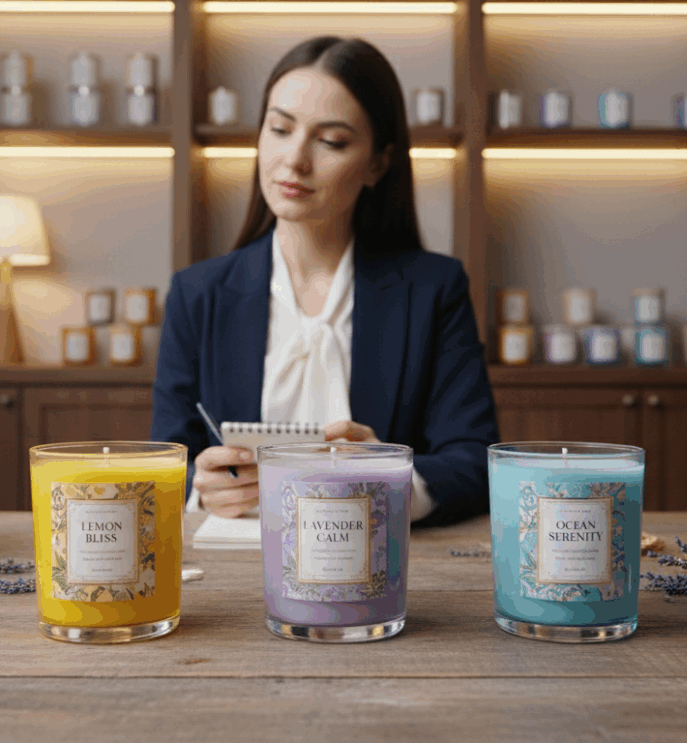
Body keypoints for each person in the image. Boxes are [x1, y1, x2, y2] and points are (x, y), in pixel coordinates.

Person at [151, 36, 498, 527]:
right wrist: (201, 490)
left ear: (377, 163)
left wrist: (391, 478)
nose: (294, 159)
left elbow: (474, 460)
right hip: (236, 568)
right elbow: (169, 462)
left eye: (331, 141)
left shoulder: (433, 289)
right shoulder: (197, 293)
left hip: (380, 564)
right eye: (279, 129)